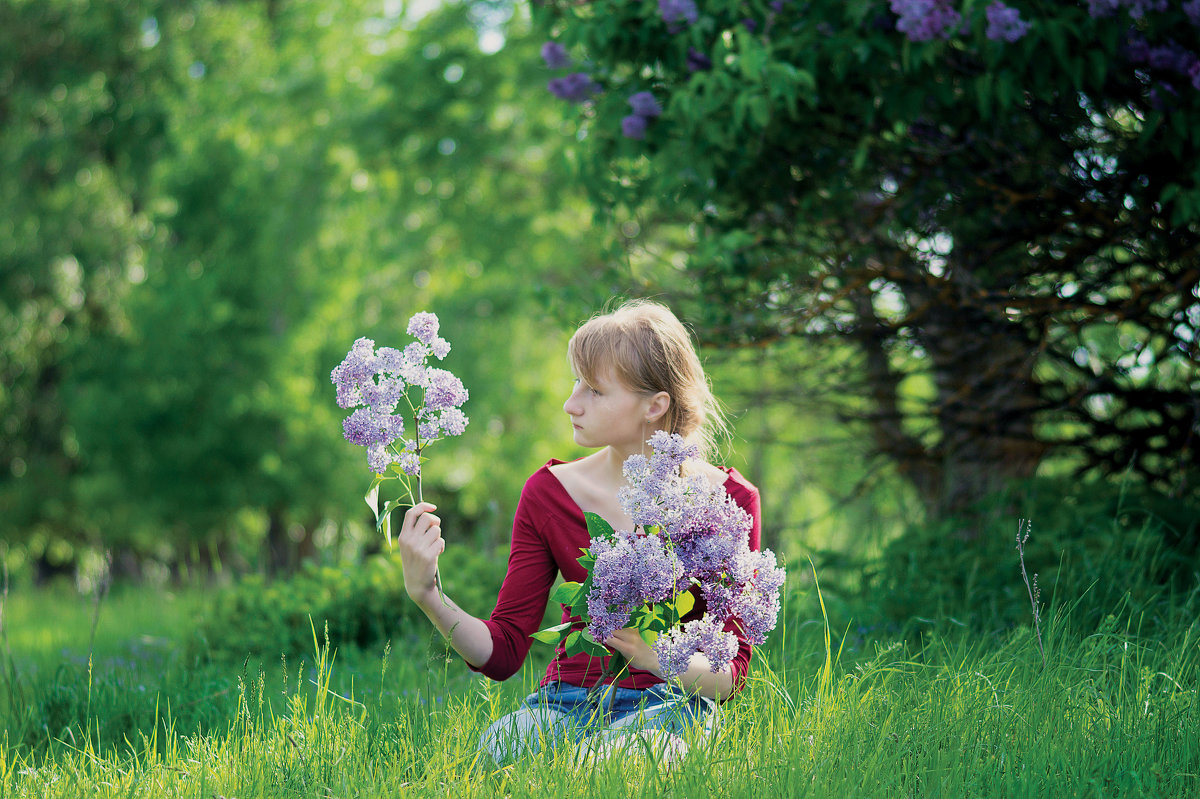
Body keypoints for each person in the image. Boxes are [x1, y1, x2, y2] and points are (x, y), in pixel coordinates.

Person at [395, 299, 762, 767]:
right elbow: (505, 651)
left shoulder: (730, 500)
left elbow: (730, 678)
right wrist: (426, 592)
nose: (572, 403)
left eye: (594, 390)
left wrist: (656, 656)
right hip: (564, 702)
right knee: (491, 755)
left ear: (655, 405)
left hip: (674, 704)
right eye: (576, 383)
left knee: (611, 764)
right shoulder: (550, 493)